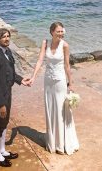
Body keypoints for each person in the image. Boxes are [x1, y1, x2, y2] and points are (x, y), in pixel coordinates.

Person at [29, 22, 79, 155]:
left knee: (61, 109)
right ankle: (53, 141)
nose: (61, 34)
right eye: (58, 32)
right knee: (50, 108)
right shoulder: (45, 43)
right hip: (48, 81)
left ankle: (62, 144)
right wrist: (33, 77)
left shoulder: (65, 45)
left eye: (62, 31)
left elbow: (67, 66)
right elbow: (40, 60)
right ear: (52, 32)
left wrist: (71, 84)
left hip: (60, 81)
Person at [0, 28, 30, 167]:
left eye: (8, 36)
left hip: (7, 93)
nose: (7, 39)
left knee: (4, 123)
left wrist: (21, 80)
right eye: (4, 37)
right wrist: (0, 104)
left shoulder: (7, 52)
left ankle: (2, 150)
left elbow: (10, 73)